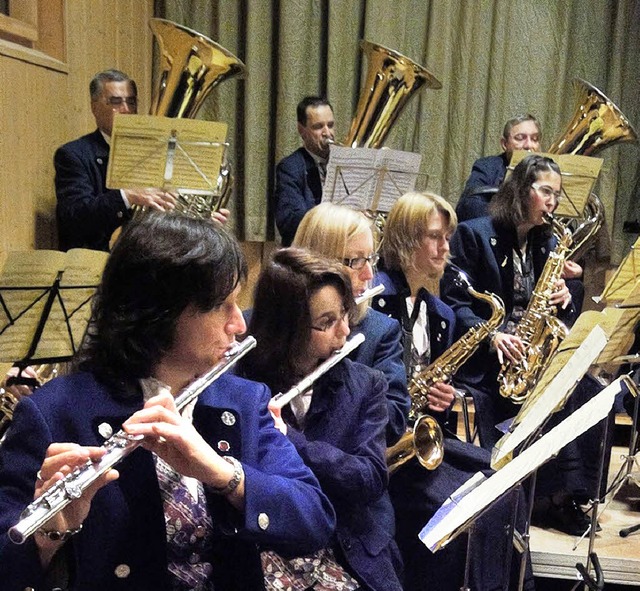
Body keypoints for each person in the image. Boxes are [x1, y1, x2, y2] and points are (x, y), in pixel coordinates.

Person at [0, 212, 335, 591]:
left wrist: (222, 474)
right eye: (220, 306)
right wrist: (50, 534)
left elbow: (315, 521)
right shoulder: (53, 413)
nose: (239, 324)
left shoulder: (242, 400)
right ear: (160, 310)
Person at [372, 191, 533, 591]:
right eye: (434, 237)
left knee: (508, 481)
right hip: (384, 447)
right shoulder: (374, 301)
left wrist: (442, 398)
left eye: (447, 237)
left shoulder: (441, 314)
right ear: (406, 240)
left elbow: (436, 392)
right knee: (458, 511)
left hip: (419, 439)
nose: (446, 247)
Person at [442, 154, 603, 536]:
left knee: (585, 389)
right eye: (546, 191)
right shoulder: (474, 234)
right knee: (549, 397)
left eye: (557, 194)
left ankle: (566, 493)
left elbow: (552, 305)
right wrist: (493, 335)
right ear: (520, 190)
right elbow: (454, 302)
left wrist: (565, 296)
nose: (553, 202)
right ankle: (553, 499)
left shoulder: (545, 243)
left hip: (527, 353)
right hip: (490, 357)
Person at [239, 248, 403, 591]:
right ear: (286, 329)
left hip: (348, 546)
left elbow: (371, 478)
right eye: (326, 323)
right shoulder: (242, 381)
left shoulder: (365, 384)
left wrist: (293, 440)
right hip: (268, 546)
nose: (344, 332)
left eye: (345, 315)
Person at [292, 202, 410, 445]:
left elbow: (395, 420)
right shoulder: (261, 324)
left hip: (344, 466)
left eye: (370, 259)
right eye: (355, 261)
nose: (368, 274)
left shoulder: (379, 332)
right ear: (317, 260)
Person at [274, 96, 335, 246]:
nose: (327, 132)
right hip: (307, 251)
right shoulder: (290, 167)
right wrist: (334, 219)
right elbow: (290, 220)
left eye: (331, 125)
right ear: (302, 130)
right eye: (318, 127)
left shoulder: (347, 164)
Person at [456, 114, 541, 222]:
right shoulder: (487, 166)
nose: (529, 145)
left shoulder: (547, 173)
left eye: (535, 139)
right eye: (520, 138)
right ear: (504, 144)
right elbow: (470, 206)